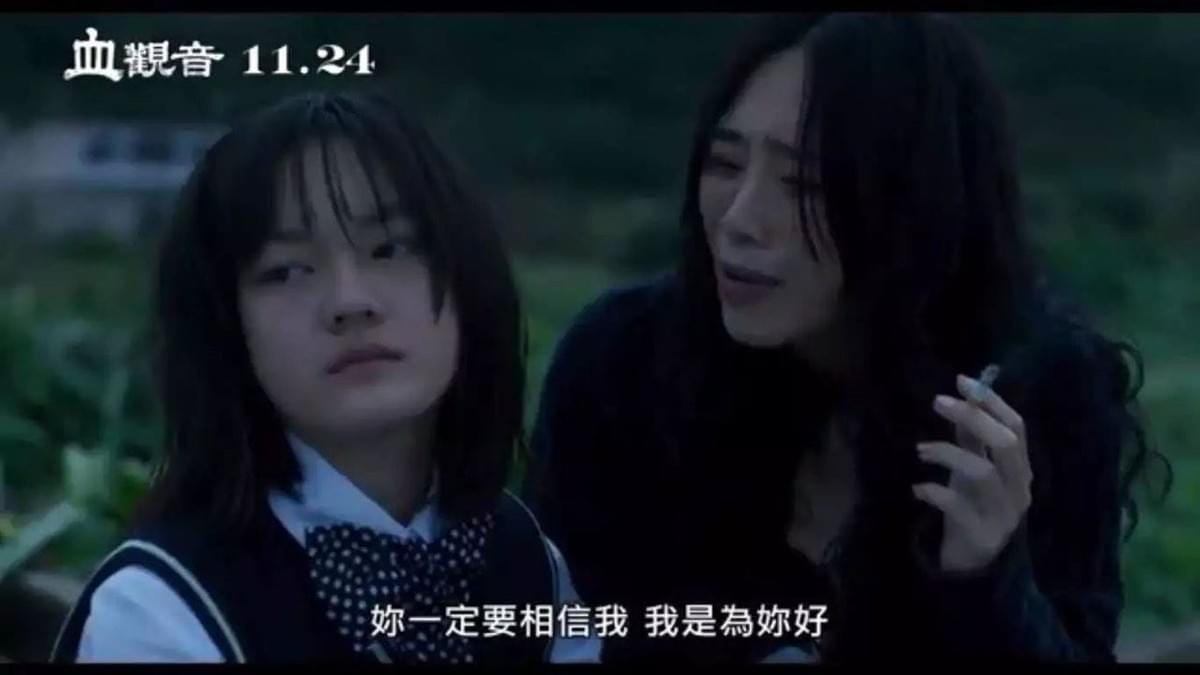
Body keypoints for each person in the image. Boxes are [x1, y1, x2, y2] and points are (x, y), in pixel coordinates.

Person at [524, 13, 1170, 663]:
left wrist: (987, 580)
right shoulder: (625, 361)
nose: (741, 218)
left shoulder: (1039, 388)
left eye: (802, 183)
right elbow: (545, 631)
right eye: (725, 162)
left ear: (913, 199)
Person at [51, 90, 600, 664]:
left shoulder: (528, 562)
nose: (350, 301)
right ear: (224, 325)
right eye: (287, 270)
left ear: (469, 278)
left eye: (390, 248)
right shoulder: (162, 611)